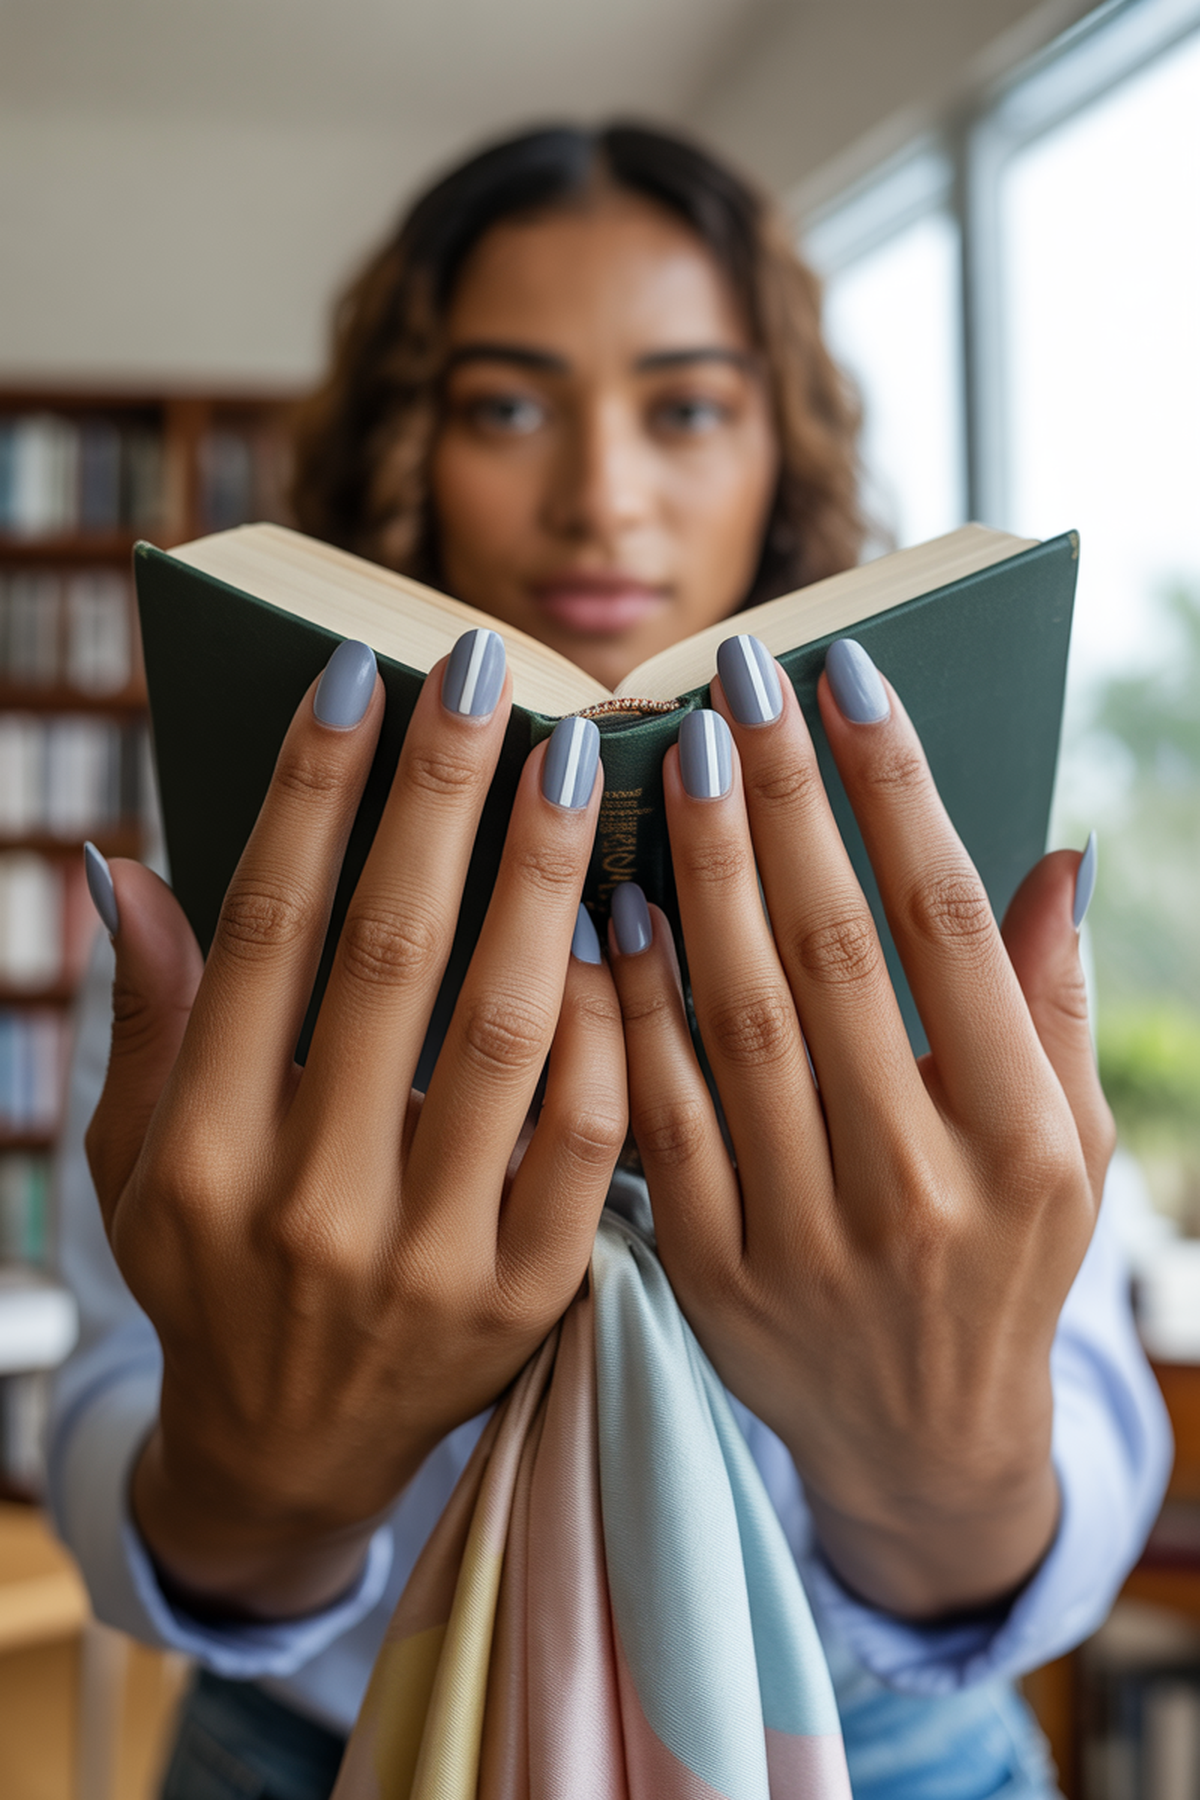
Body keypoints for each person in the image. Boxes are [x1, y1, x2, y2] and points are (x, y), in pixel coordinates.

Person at [50, 123, 1169, 1800]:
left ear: (780, 451)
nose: (603, 496)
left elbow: (1076, 1425)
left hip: (890, 1754)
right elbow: (111, 1419)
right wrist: (271, 1479)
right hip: (323, 1753)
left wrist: (938, 1462)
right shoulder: (238, 882)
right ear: (409, 448)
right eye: (507, 407)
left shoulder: (941, 844)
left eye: (688, 408)